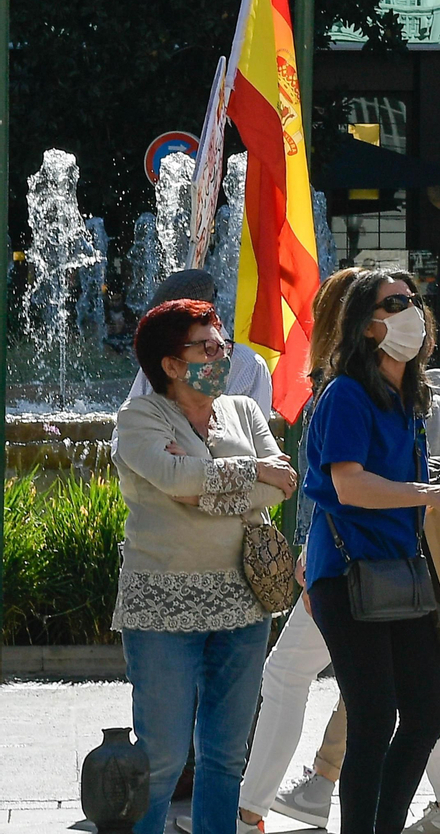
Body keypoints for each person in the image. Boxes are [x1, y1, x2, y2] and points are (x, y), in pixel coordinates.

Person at [241, 272, 440, 834]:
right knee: (373, 716)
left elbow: (403, 483)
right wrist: (430, 492)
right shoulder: (346, 392)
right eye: (396, 302)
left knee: (425, 712)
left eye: (414, 300)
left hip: (400, 572)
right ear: (367, 325)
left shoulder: (409, 397)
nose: (412, 310)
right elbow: (350, 487)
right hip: (345, 574)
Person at [112, 300, 298, 834]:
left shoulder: (242, 410)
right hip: (163, 604)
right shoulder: (139, 417)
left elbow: (279, 485)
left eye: (222, 346)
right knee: (163, 759)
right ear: (170, 364)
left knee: (225, 757)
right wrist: (243, 477)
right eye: (206, 347)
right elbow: (172, 480)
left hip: (244, 603)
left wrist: (204, 481)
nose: (220, 356)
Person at [125, 270, 275, 419]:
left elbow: (252, 439)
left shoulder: (250, 367)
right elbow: (123, 430)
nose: (219, 357)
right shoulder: (160, 360)